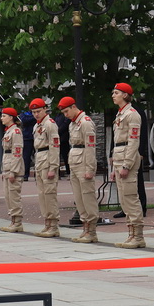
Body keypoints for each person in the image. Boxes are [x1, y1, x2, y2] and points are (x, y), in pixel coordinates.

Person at [111, 83, 146, 249]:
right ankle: (131, 233)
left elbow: (133, 141)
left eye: (116, 92)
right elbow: (117, 141)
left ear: (125, 95)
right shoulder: (120, 114)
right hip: (119, 156)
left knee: (131, 197)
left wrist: (127, 164)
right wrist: (114, 168)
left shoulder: (132, 115)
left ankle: (138, 235)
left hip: (127, 158)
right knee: (124, 198)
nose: (113, 95)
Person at [59, 96, 99, 243]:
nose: (65, 115)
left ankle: (92, 230)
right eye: (63, 112)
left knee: (87, 197)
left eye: (66, 111)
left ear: (74, 107)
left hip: (83, 163)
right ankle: (85, 227)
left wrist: (90, 168)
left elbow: (90, 147)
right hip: (75, 162)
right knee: (79, 198)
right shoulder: (72, 124)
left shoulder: (85, 123)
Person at [29, 98, 62, 238]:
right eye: (34, 112)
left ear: (44, 110)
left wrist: (53, 167)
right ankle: (47, 222)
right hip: (40, 159)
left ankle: (53, 225)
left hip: (48, 159)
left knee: (49, 194)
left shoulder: (50, 124)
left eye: (38, 111)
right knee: (42, 194)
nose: (36, 114)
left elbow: (54, 147)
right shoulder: (37, 126)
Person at [0, 108, 26, 232]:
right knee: (8, 196)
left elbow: (17, 152)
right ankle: (13, 220)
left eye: (4, 116)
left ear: (11, 117)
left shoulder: (15, 132)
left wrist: (13, 171)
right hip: (7, 166)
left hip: (13, 168)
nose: (2, 118)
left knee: (14, 196)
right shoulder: (8, 131)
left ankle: (17, 222)